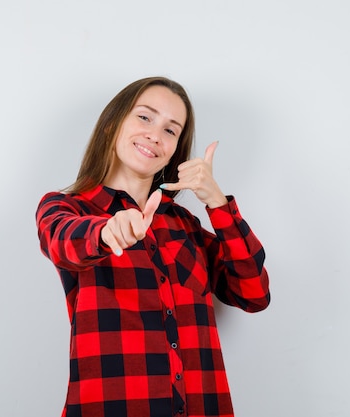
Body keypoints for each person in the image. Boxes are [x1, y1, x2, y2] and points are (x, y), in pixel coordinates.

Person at [35, 76, 270, 417]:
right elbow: (63, 241)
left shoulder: (185, 225)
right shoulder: (66, 208)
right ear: (112, 124)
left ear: (175, 151)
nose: (155, 135)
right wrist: (107, 231)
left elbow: (253, 294)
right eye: (145, 117)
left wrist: (217, 204)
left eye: (171, 130)